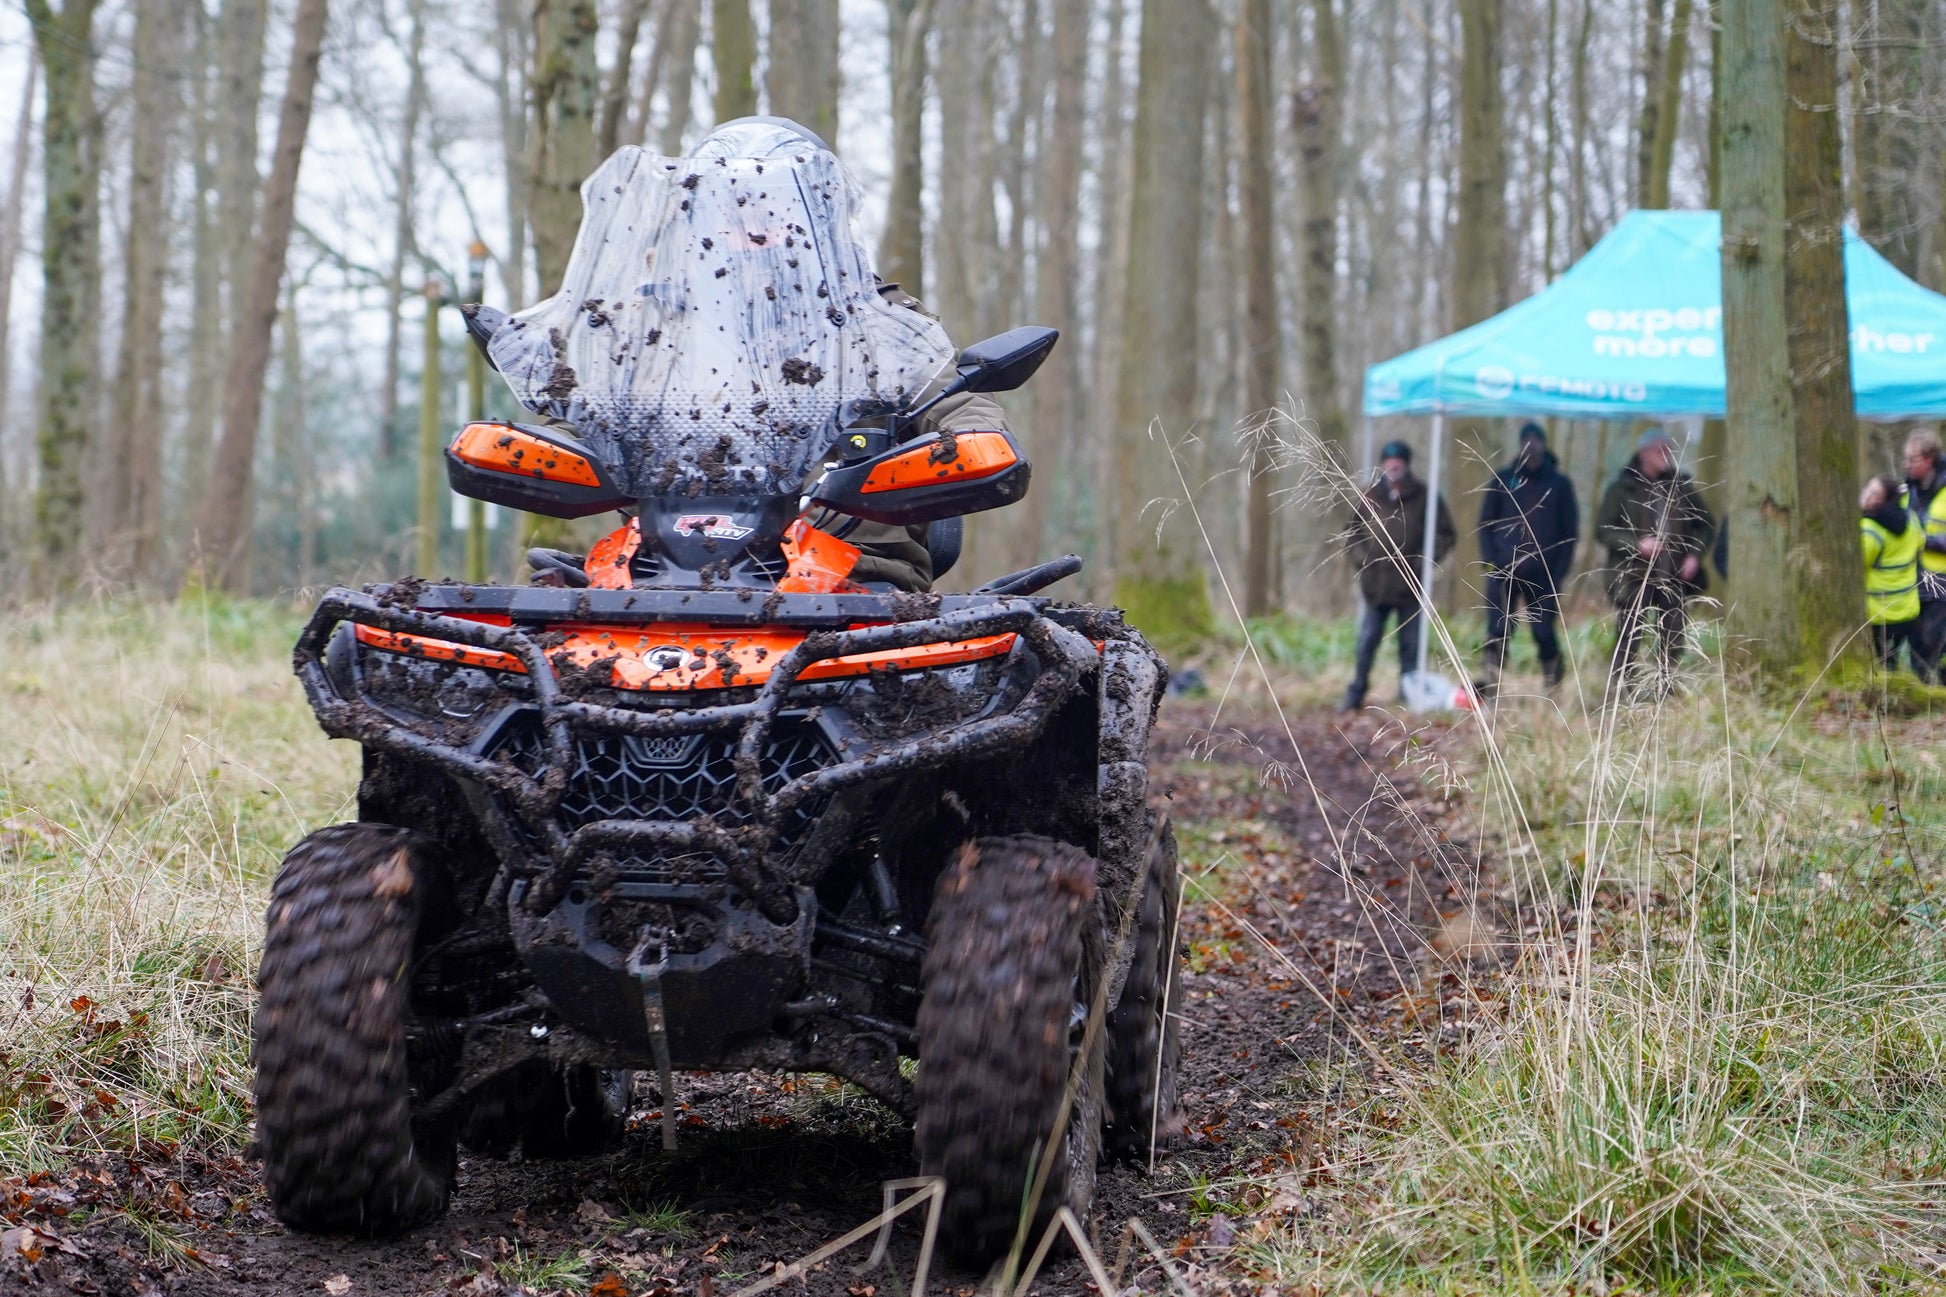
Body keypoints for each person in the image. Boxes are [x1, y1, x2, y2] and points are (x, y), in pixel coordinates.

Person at [1595, 427, 1715, 695]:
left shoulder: (1681, 486)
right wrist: (1636, 545)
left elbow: (1706, 525)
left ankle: (1668, 688)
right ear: (1643, 452)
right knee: (1630, 633)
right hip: (1633, 575)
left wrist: (1694, 555)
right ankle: (1624, 689)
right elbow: (1603, 530)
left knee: (1673, 634)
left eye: (1668, 449)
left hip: (1674, 575)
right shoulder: (1621, 488)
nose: (1666, 455)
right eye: (1660, 449)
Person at [1341, 441, 1455, 710]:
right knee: (1366, 642)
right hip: (1376, 586)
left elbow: (1446, 534)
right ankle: (1356, 692)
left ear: (1406, 464)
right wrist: (1364, 562)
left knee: (1411, 646)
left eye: (1398, 461)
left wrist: (1425, 562)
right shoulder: (1368, 495)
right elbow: (1350, 535)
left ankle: (1410, 695)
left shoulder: (1424, 495)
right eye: (1389, 460)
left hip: (1411, 587)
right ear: (1382, 464)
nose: (1393, 465)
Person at [1474, 422, 1579, 695]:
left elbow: (1570, 534)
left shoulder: (1560, 484)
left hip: (1543, 575)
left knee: (1544, 633)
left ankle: (1553, 690)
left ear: (1545, 444)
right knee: (1498, 631)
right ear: (1520, 445)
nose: (1532, 446)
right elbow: (1485, 524)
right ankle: (1491, 687)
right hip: (1503, 572)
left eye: (1537, 440)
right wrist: (1490, 563)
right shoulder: (1503, 479)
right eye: (1527, 441)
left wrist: (1558, 573)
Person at [1860, 474, 1924, 675]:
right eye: (1868, 488)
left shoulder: (1869, 531)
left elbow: (1857, 568)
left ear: (1884, 501)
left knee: (1883, 669)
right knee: (1895, 666)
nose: (1866, 495)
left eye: (1874, 493)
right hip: (1908, 610)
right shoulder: (1911, 519)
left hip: (1880, 614)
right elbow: (1920, 543)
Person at [1900, 429, 1946, 677]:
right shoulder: (1907, 491)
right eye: (1905, 459)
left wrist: (1926, 541)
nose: (1906, 465)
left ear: (1929, 459)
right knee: (1918, 643)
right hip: (1912, 580)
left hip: (1942, 584)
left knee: (1935, 641)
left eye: (1912, 459)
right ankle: (1924, 691)